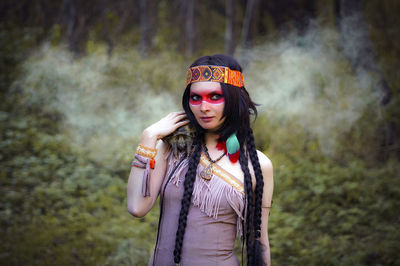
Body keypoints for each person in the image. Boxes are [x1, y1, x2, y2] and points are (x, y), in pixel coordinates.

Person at [127, 54, 273, 266]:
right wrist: (148, 137)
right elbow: (137, 207)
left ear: (234, 99)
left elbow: (259, 241)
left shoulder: (258, 165)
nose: (203, 107)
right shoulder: (173, 148)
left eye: (214, 97)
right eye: (196, 98)